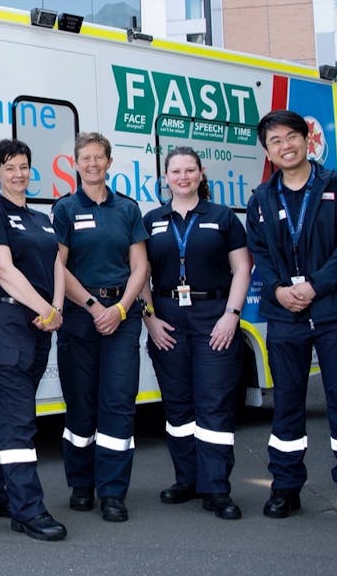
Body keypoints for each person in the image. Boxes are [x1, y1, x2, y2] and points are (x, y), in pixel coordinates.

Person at [246, 109, 337, 530]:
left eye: (291, 137)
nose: (284, 146)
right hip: (285, 313)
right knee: (286, 403)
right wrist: (280, 290)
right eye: (275, 141)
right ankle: (285, 488)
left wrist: (315, 286)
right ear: (266, 151)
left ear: (307, 140)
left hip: (334, 309)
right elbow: (260, 254)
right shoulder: (261, 199)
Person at [139, 147, 250, 520]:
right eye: (175, 171)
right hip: (167, 318)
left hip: (213, 317)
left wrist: (232, 315)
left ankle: (217, 488)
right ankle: (187, 479)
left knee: (214, 404)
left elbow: (242, 269)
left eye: (190, 170)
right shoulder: (151, 220)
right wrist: (149, 318)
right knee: (177, 405)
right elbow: (140, 275)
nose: (182, 177)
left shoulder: (223, 218)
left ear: (201, 174)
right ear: (165, 177)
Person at [0, 139, 67, 542]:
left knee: (5, 415)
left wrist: (56, 309)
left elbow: (59, 263)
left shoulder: (43, 219)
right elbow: (3, 270)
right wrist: (46, 309)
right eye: (9, 167)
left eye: (24, 166)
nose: (18, 173)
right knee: (18, 420)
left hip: (40, 323)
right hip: (6, 320)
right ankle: (28, 510)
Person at [51, 131, 149, 523]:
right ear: (75, 164)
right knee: (81, 401)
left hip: (122, 317)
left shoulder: (127, 209)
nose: (92, 164)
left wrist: (121, 309)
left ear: (109, 162)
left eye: (99, 157)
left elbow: (140, 266)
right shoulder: (64, 209)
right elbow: (58, 266)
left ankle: (112, 491)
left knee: (118, 403)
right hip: (80, 315)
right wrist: (94, 307)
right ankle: (81, 485)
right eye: (85, 158)